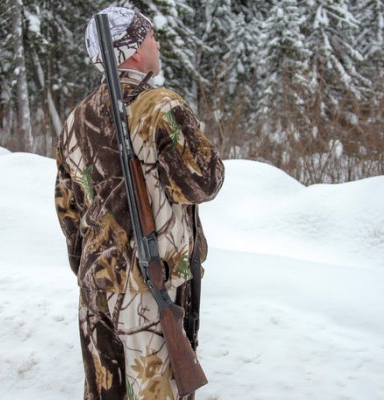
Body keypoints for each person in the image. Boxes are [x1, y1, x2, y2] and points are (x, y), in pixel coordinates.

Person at [54, 6, 224, 400]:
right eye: (148, 36)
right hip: (151, 289)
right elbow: (204, 182)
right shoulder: (160, 106)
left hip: (96, 286)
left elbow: (68, 209)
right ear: (130, 50)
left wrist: (91, 266)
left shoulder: (76, 118)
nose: (156, 41)